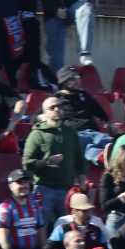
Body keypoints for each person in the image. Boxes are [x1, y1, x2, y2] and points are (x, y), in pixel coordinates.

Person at [22, 96, 88, 227]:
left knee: (68, 228)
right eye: (52, 108)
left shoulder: (71, 132)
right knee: (42, 227)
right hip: (45, 188)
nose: (57, 109)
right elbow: (26, 163)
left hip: (67, 189)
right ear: (45, 112)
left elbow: (80, 159)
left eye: (59, 106)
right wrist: (47, 161)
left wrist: (82, 182)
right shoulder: (37, 133)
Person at [0, 170, 45, 249]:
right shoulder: (4, 208)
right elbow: (3, 241)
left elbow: (42, 236)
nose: (23, 186)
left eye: (25, 182)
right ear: (10, 186)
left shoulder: (35, 205)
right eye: (19, 183)